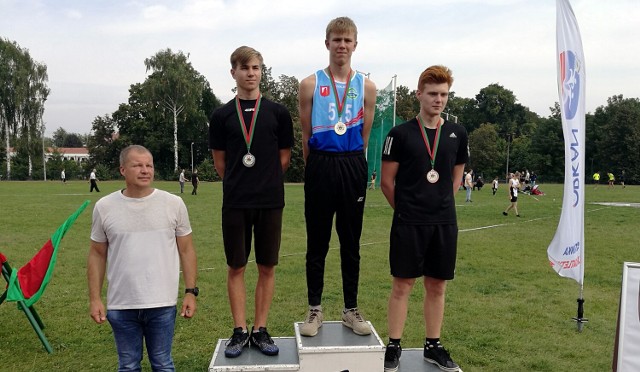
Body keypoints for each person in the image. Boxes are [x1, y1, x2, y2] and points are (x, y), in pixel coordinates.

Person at [380, 65, 468, 372]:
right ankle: (394, 345)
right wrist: (406, 211)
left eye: (444, 94)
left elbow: (456, 177)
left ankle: (433, 345)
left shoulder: (457, 133)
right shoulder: (399, 134)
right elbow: (387, 182)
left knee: (437, 285)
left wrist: (440, 205)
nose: (439, 100)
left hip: (443, 222)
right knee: (402, 284)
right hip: (409, 221)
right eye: (432, 93)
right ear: (419, 94)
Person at [210, 46, 294, 358]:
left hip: (270, 200)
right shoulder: (221, 115)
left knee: (267, 265)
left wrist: (264, 179)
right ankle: (239, 330)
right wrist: (241, 181)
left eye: (256, 68)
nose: (251, 73)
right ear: (233, 72)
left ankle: (260, 328)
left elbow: (283, 157)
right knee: (236, 266)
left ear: (261, 72)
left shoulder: (277, 113)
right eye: (245, 68)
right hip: (235, 201)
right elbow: (221, 162)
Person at [298, 16, 377, 337]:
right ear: (327, 43)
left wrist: (353, 164)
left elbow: (366, 137)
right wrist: (316, 165)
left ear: (355, 45)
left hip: (351, 163)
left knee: (350, 242)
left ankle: (350, 309)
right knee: (317, 242)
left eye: (347, 40)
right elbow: (305, 135)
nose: (341, 45)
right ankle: (315, 309)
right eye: (336, 39)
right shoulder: (310, 84)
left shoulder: (366, 87)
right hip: (320, 163)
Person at [87, 145, 198, 371]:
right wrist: (95, 298)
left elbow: (187, 250)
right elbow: (97, 254)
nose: (145, 170)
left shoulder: (173, 204)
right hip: (121, 304)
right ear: (122, 170)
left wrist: (190, 292)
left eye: (149, 165)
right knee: (128, 365)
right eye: (137, 165)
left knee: (163, 363)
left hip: (162, 303)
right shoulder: (104, 207)